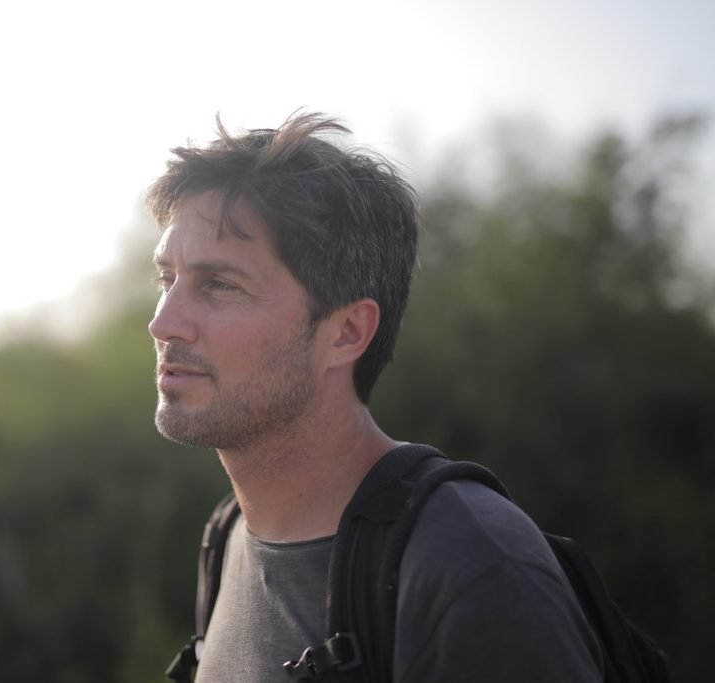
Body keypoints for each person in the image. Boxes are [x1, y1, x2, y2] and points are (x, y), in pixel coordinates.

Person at [145, 112, 602, 682]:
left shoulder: (473, 566)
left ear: (346, 333)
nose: (163, 323)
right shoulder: (229, 533)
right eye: (167, 279)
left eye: (220, 285)